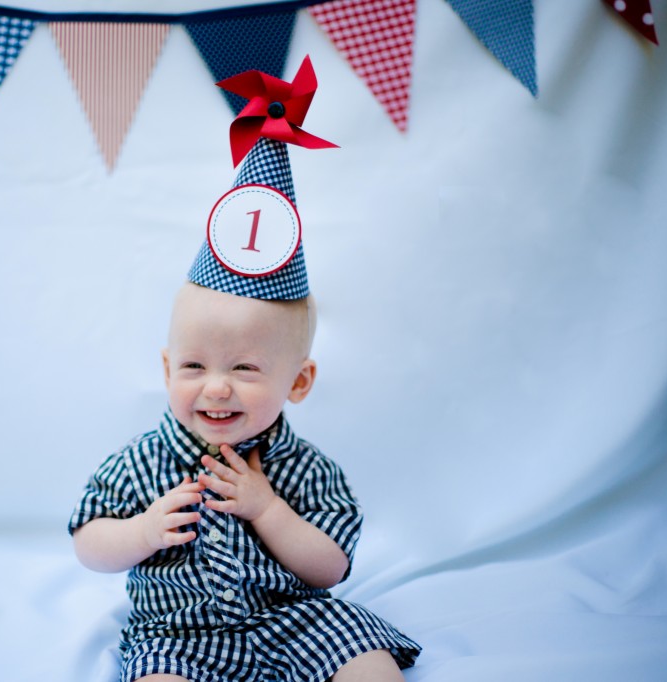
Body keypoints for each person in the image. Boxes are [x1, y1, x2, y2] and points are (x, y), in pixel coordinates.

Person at [69, 57, 420, 682]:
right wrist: (144, 531)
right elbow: (87, 542)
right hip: (180, 634)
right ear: (167, 365)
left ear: (299, 382)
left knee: (368, 661)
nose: (217, 386)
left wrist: (269, 511)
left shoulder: (304, 470)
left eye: (246, 368)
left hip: (293, 619)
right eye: (195, 365)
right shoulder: (145, 463)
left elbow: (331, 570)